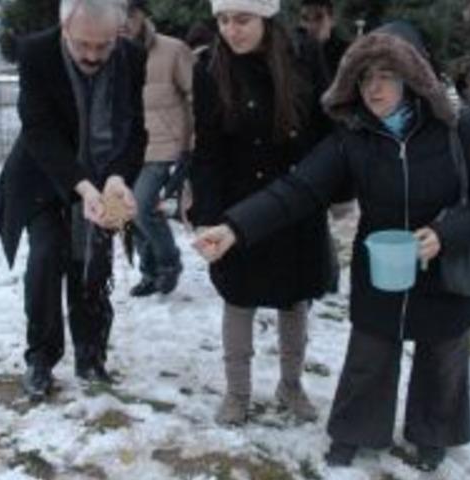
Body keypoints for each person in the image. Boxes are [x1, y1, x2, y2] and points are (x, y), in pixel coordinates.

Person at [194, 21, 470, 471]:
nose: (374, 88)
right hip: (382, 263)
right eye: (365, 77)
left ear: (415, 78)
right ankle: (355, 430)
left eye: (386, 75)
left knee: (443, 353)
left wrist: (447, 234)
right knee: (371, 351)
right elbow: (298, 189)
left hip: (447, 265)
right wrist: (234, 228)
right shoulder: (354, 136)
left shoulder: (457, 125)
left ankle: (433, 432)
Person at [0, 0, 147, 400]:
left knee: (92, 264)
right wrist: (82, 186)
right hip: (45, 176)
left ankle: (91, 355)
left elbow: (135, 130)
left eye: (103, 46)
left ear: (119, 35)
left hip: (103, 176)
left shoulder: (132, 58)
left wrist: (115, 179)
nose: (93, 55)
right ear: (64, 32)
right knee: (45, 260)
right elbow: (38, 130)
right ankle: (40, 359)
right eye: (83, 46)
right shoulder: (36, 53)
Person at [189, 0, 336, 426]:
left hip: (298, 202)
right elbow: (208, 150)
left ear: (266, 17)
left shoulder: (303, 55)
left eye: (242, 19)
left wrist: (331, 189)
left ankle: (291, 384)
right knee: (239, 298)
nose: (231, 30)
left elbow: (326, 130)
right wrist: (207, 215)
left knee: (295, 299)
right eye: (222, 19)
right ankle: (238, 393)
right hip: (236, 205)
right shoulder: (210, 68)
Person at [122, 0, 193, 296]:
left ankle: (169, 263)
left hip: (164, 147)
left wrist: (191, 146)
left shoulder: (172, 50)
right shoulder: (108, 51)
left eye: (130, 13)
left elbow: (195, 97)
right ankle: (149, 272)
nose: (123, 21)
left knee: (140, 207)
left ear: (143, 15)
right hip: (124, 150)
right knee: (129, 212)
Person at [295, 0, 348, 89]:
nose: (311, 25)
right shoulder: (295, 55)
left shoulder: (347, 53)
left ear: (332, 20)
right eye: (305, 19)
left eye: (319, 18)